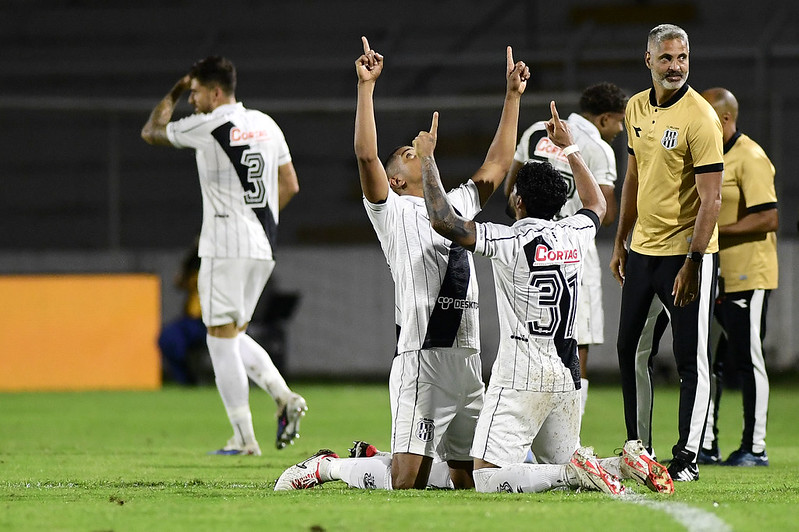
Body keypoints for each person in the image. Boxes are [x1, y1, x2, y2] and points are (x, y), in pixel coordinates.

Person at [275, 37, 530, 491]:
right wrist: (366, 89)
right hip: (422, 358)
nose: (418, 153)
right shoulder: (389, 210)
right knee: (405, 479)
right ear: (395, 178)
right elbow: (365, 155)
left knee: (470, 479)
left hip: (468, 360)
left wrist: (512, 98)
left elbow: (498, 162)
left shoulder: (454, 207)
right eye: (410, 155)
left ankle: (373, 456)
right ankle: (326, 467)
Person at [414, 102, 673, 495]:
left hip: (521, 376)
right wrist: (570, 150)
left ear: (519, 201)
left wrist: (428, 161)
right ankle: (624, 463)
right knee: (559, 463)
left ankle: (576, 473)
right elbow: (597, 205)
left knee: (485, 478)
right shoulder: (574, 232)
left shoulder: (509, 238)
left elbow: (443, 222)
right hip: (565, 375)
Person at [141, 55, 307, 455]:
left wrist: (176, 90)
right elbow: (290, 185)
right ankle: (283, 396)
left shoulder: (209, 122)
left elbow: (152, 131)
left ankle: (244, 439)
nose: (193, 100)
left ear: (215, 92)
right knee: (234, 335)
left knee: (218, 341)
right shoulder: (268, 124)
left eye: (197, 93)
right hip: (262, 246)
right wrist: (256, 223)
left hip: (224, 246)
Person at [609, 24, 724, 482]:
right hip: (642, 249)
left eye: (682, 57)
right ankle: (640, 448)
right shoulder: (636, 106)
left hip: (686, 254)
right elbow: (633, 176)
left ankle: (688, 458)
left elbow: (711, 199)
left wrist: (694, 262)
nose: (675, 66)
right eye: (666, 58)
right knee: (628, 348)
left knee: (689, 358)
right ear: (649, 60)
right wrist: (621, 238)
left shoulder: (701, 117)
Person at [505, 82, 627, 423]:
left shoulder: (534, 131)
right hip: (572, 254)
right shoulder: (596, 149)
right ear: (605, 119)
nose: (620, 129)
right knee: (577, 339)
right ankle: (566, 435)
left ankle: (525, 432)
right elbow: (606, 214)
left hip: (526, 250)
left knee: (527, 337)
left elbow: (508, 190)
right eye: (619, 122)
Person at [694, 88, 777, 466]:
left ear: (726, 119)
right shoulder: (708, 156)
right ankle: (706, 444)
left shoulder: (751, 156)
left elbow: (768, 216)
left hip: (747, 274)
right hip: (714, 273)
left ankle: (754, 447)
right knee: (707, 362)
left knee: (748, 360)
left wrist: (713, 231)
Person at [158, 237, 206, 385]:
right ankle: (186, 380)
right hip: (192, 321)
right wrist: (191, 257)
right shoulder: (194, 267)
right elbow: (178, 282)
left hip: (214, 320)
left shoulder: (222, 263)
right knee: (168, 338)